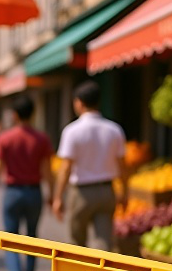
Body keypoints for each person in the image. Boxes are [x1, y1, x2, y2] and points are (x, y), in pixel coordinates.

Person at [0, 96, 53, 271]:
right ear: (33, 113)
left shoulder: (4, 138)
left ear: (14, 115)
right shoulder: (41, 139)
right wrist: (53, 194)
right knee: (32, 235)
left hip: (12, 192)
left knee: (10, 235)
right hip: (34, 192)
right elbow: (47, 170)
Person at [53, 80, 127, 251]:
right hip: (106, 190)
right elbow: (122, 166)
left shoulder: (72, 131)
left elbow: (66, 168)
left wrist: (58, 197)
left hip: (81, 192)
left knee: (77, 243)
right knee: (104, 242)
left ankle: (81, 268)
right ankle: (102, 269)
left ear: (79, 102)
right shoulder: (114, 129)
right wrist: (125, 191)